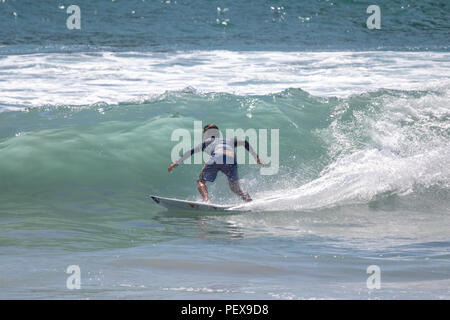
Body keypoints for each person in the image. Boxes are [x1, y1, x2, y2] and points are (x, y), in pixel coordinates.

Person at [168, 124, 265, 203]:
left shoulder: (206, 142)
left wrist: (176, 163)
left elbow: (190, 151)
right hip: (231, 160)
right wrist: (257, 157)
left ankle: (206, 200)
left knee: (201, 181)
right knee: (236, 188)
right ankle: (249, 201)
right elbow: (245, 142)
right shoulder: (229, 140)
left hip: (217, 157)